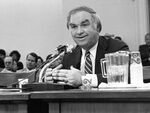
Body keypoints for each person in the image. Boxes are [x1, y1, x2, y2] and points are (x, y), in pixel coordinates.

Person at [44, 6, 129, 87]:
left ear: (98, 27)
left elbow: (124, 77)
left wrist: (84, 79)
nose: (79, 31)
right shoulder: (69, 56)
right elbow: (67, 84)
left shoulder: (116, 48)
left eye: (84, 25)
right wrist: (53, 81)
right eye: (74, 27)